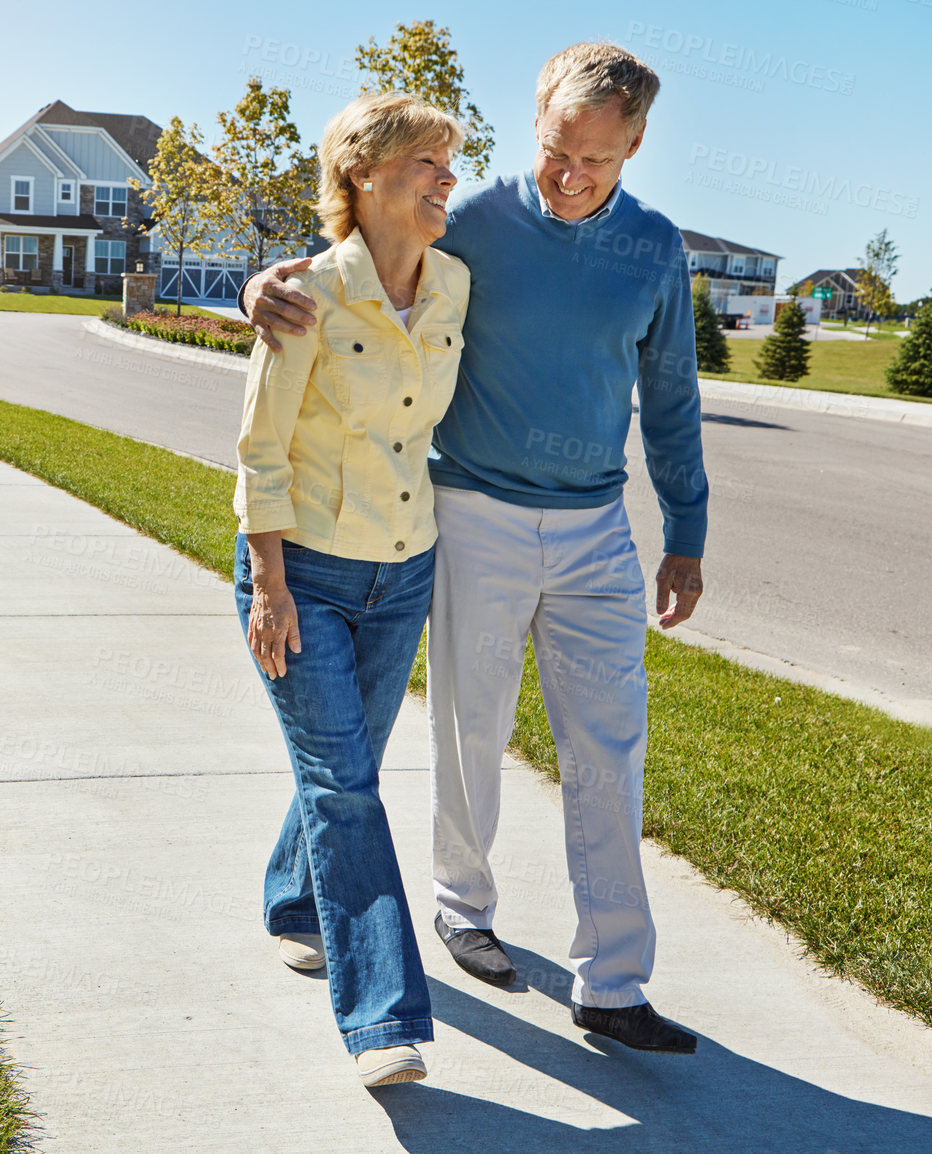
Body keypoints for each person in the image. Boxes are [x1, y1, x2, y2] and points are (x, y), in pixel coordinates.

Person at [241, 43, 707, 1055]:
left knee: (606, 749)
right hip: (471, 515)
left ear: (634, 147)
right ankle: (450, 922)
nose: (571, 174)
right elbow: (347, 265)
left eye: (599, 159)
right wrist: (261, 286)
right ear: (535, 120)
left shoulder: (654, 248)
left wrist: (687, 531)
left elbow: (670, 397)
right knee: (449, 737)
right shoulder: (477, 224)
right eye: (555, 149)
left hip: (592, 526)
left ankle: (613, 980)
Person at [233, 91, 469, 1088]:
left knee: (347, 764)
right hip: (305, 572)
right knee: (343, 782)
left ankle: (295, 901)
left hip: (404, 566)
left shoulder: (457, 282)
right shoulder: (305, 293)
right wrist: (271, 588)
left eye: (450, 164)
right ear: (361, 171)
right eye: (425, 161)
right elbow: (259, 449)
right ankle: (382, 1019)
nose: (445, 179)